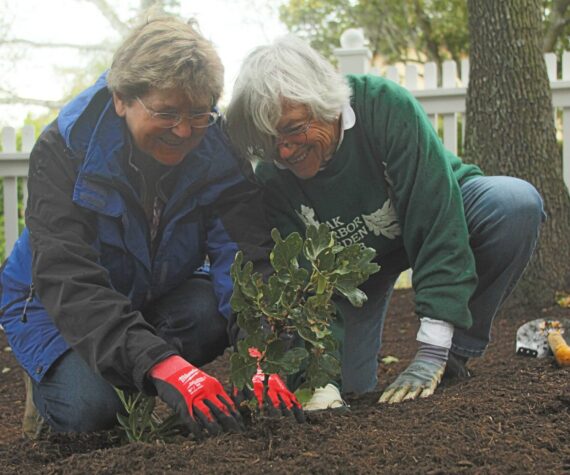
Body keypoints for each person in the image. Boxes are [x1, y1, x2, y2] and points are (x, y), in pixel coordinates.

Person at [0, 16, 304, 439]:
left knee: (209, 315)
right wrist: (163, 366)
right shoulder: (65, 150)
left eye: (198, 113)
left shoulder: (218, 149)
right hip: (55, 304)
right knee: (92, 410)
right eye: (166, 113)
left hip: (153, 288)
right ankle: (61, 378)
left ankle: (129, 364)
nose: (184, 130)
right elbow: (70, 279)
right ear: (121, 99)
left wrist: (261, 353)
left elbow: (244, 258)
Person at [225, 35, 546, 408]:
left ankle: (453, 354)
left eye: (294, 128)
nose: (283, 149)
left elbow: (435, 219)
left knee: (513, 205)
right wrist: (319, 379)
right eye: (269, 138)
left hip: (437, 212)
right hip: (351, 271)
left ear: (325, 103)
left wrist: (433, 350)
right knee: (349, 388)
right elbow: (305, 283)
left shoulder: (383, 106)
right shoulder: (272, 176)